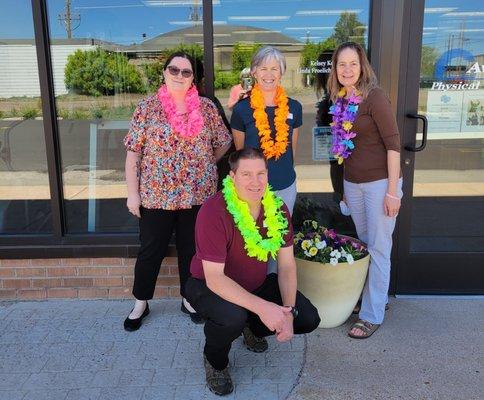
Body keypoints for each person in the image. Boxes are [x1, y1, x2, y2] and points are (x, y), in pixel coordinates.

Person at [184, 148, 320, 396]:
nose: (255, 182)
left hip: (255, 283)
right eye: (246, 174)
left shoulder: (277, 208)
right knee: (232, 318)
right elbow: (215, 278)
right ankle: (215, 361)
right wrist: (264, 308)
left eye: (261, 174)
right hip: (208, 285)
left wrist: (288, 312)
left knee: (307, 317)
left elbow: (286, 266)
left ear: (268, 175)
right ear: (232, 177)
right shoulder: (214, 211)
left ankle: (251, 327)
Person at [123, 51, 232, 330]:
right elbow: (133, 154)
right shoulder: (147, 107)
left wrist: (206, 163)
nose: (179, 76)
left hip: (197, 194)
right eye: (174, 69)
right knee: (150, 250)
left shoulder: (206, 108)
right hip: (156, 195)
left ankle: (189, 298)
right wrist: (133, 193)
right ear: (164, 72)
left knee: (192, 250)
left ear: (193, 78)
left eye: (186, 72)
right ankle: (140, 302)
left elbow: (224, 141)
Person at [326, 42, 402, 339]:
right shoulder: (341, 99)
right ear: (335, 69)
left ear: (362, 67)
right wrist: (345, 188)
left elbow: (393, 145)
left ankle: (371, 315)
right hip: (353, 185)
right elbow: (343, 150)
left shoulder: (375, 97)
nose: (347, 70)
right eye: (341, 64)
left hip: (380, 184)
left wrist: (393, 192)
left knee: (379, 247)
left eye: (353, 64)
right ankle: (376, 298)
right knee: (368, 243)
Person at [231, 46, 302, 274]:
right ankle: (253, 287)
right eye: (263, 68)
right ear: (254, 71)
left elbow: (292, 151)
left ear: (281, 72)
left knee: (280, 243)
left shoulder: (294, 107)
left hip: (285, 186)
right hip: (253, 189)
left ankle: (275, 286)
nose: (269, 74)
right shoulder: (242, 110)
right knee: (253, 241)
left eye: (274, 68)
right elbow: (240, 154)